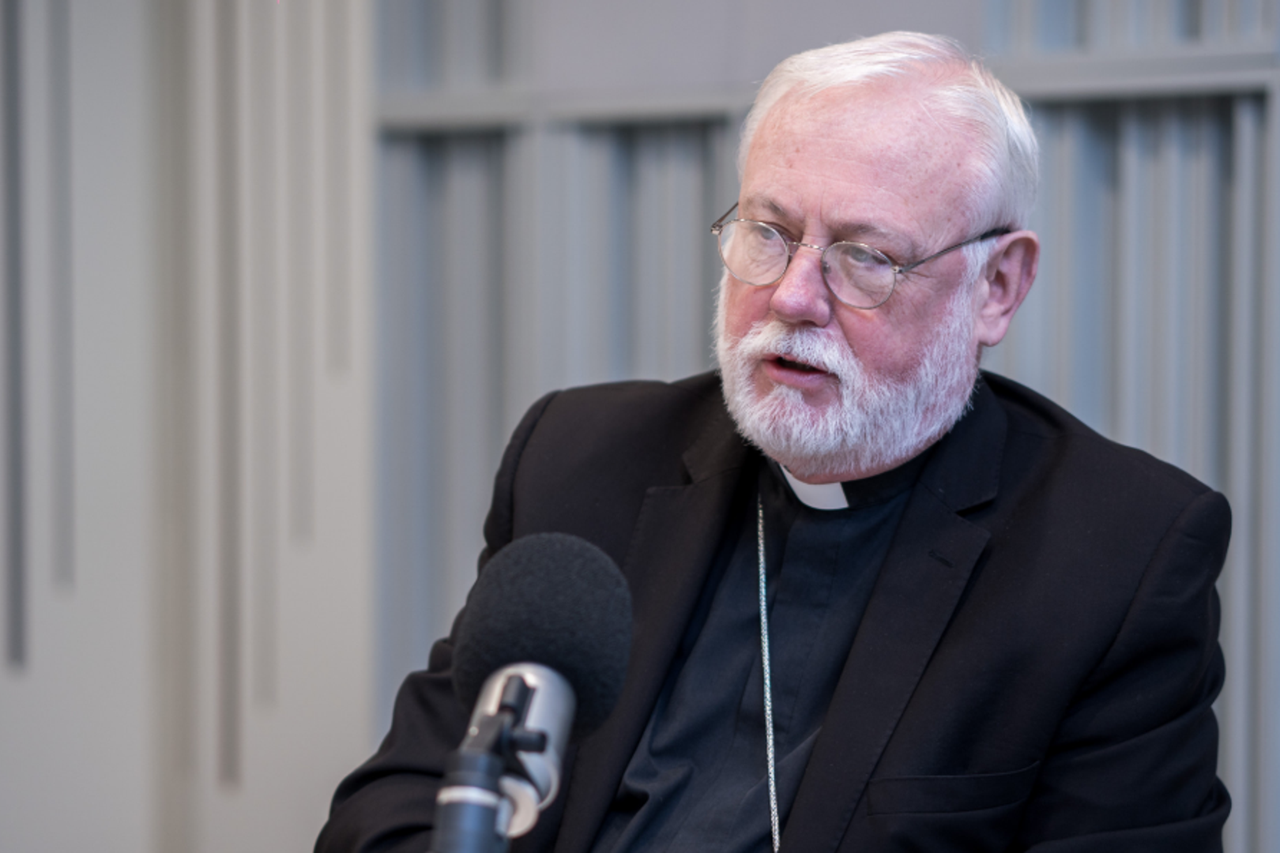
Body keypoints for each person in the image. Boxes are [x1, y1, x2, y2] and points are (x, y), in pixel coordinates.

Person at [317, 32, 1230, 852]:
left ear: (997, 285)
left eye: (865, 256)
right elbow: (395, 805)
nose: (793, 296)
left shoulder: (1115, 562)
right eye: (770, 232)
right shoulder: (581, 463)